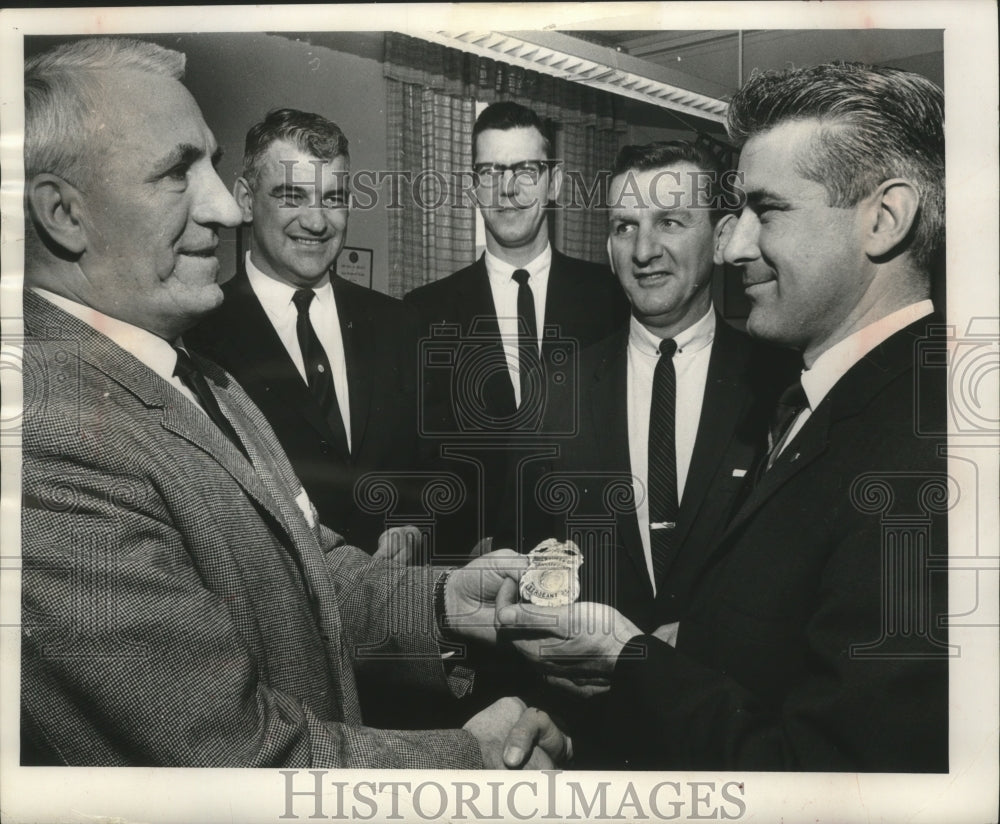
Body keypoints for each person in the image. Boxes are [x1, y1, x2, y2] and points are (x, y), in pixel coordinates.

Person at [20, 36, 566, 769]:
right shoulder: (46, 439)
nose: (220, 206)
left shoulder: (195, 374)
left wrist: (444, 600)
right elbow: (240, 755)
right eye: (178, 172)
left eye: (211, 165)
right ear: (63, 214)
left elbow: (301, 571)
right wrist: (471, 761)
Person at [498, 61, 949, 772]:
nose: (736, 245)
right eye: (622, 226)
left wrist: (628, 657)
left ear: (885, 219)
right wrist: (591, 738)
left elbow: (832, 776)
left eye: (765, 211)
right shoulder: (824, 401)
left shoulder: (926, 446)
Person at [519, 140, 796, 631]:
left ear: (721, 238)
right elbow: (528, 562)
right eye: (625, 227)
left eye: (670, 222)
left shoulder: (781, 384)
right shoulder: (557, 389)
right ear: (608, 247)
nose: (644, 250)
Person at [187, 109, 419, 551]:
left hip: (398, 601)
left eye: (332, 199)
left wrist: (416, 524)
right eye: (292, 196)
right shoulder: (199, 337)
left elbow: (434, 465)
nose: (316, 222)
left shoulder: (399, 324)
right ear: (244, 199)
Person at [404, 101, 630, 549]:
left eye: (525, 170)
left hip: (594, 561)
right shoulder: (423, 312)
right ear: (473, 187)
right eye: (489, 171)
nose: (507, 188)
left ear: (554, 183)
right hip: (472, 569)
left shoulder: (612, 298)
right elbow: (418, 460)